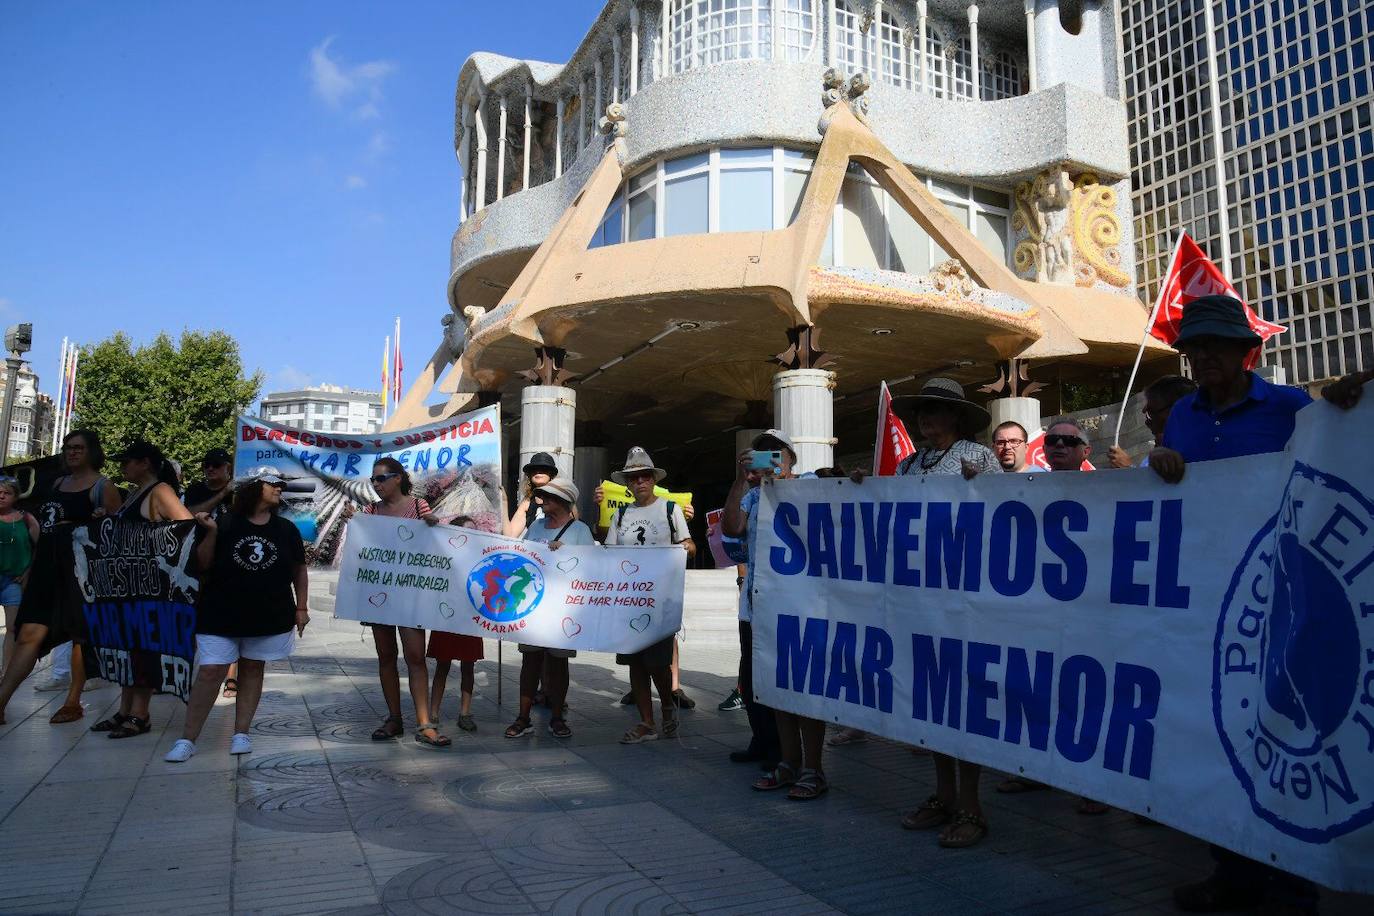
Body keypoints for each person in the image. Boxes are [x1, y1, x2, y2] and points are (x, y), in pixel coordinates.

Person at [1143, 295, 1326, 914]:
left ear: (1246, 352)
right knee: (1217, 732)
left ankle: (1293, 882)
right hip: (1207, 600)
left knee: (1280, 732)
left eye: (1215, 346)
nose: (1202, 358)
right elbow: (1172, 488)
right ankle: (1232, 869)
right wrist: (1160, 461)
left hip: (1284, 598)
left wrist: (1352, 405)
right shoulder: (1184, 415)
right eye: (1193, 349)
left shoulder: (1291, 407)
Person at [889, 378, 1000, 847]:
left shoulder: (981, 458)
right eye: (921, 411)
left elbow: (1007, 513)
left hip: (964, 600)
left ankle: (971, 805)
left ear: (955, 417)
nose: (925, 419)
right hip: (921, 599)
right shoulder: (909, 464)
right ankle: (944, 793)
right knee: (933, 699)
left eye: (935, 410)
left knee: (963, 700)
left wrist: (983, 488)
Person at [164, 468, 309, 762]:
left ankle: (241, 732)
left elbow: (299, 569)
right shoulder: (224, 522)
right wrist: (211, 533)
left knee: (253, 668)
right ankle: (187, 739)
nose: (279, 488)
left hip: (269, 614)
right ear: (254, 487)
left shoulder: (286, 529)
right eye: (273, 483)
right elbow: (202, 564)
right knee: (211, 671)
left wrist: (302, 607)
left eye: (281, 484)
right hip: (220, 613)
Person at [725, 430, 830, 800]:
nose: (769, 458)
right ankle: (788, 761)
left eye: (776, 452)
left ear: (791, 458)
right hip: (761, 605)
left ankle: (813, 769)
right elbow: (732, 528)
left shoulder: (811, 484)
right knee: (774, 688)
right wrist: (741, 479)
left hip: (802, 606)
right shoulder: (755, 494)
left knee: (805, 688)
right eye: (762, 453)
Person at [0, 430, 122, 726]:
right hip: (46, 569)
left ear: (92, 452)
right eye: (68, 447)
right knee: (28, 635)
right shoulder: (56, 483)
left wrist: (96, 522)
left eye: (78, 448)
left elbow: (118, 534)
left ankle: (72, 701)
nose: (72, 452)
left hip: (80, 573)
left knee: (80, 637)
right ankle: (1, 701)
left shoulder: (103, 487)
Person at [90, 440, 194, 738]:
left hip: (149, 588)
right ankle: (124, 710)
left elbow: (186, 527)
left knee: (143, 649)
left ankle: (140, 714)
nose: (122, 467)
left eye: (127, 461)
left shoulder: (160, 491)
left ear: (145, 463)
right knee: (128, 649)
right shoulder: (136, 493)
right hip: (128, 586)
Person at [607, 448, 693, 745]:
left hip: (660, 600)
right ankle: (647, 721)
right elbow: (610, 553)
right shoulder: (620, 514)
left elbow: (689, 544)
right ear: (627, 483)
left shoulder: (670, 509)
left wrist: (685, 548)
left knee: (657, 662)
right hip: (629, 599)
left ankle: (667, 704)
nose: (640, 481)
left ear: (653, 479)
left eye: (645, 476)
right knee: (635, 663)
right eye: (634, 477)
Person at [362, 457, 449, 748]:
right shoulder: (370, 510)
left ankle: (424, 723)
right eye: (373, 480)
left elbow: (433, 542)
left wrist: (432, 525)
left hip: (411, 594)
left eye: (381, 478)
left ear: (398, 478)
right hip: (379, 593)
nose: (376, 484)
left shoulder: (419, 506)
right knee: (386, 655)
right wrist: (355, 523)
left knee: (415, 656)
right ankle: (394, 718)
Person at [506, 477, 594, 739]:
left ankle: (557, 717)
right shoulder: (535, 525)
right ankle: (523, 718)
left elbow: (591, 567)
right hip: (533, 606)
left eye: (548, 497)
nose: (541, 500)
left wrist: (566, 553)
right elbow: (524, 555)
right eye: (542, 495)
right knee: (530, 662)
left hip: (563, 611)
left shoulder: (580, 531)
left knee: (558, 663)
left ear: (563, 501)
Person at [183, 447, 239, 698]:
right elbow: (189, 514)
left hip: (231, 563)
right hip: (198, 563)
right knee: (193, 619)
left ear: (228, 467)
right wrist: (222, 494)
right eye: (206, 464)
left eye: (216, 464)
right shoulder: (196, 489)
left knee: (231, 620)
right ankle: (190, 671)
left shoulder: (240, 491)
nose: (210, 468)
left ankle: (231, 676)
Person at [427, 514, 484, 733]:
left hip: (469, 619)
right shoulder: (444, 555)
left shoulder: (479, 557)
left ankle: (465, 713)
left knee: (469, 666)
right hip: (447, 618)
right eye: (468, 531)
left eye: (475, 531)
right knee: (442, 665)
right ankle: (433, 713)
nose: (472, 535)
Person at [1107, 376, 1197, 469]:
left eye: (1152, 411)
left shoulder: (1197, 451)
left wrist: (1128, 469)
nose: (1148, 422)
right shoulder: (1152, 458)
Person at [0, 478, 39, 674]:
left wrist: (27, 572)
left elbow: (39, 548)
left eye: (6, 493)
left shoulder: (26, 519)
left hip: (13, 581)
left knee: (12, 628)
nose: (1, 496)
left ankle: (6, 671)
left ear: (16, 496)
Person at [504, 452, 557, 538]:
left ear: (551, 474)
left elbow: (572, 529)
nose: (538, 472)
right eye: (534, 469)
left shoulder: (563, 499)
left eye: (544, 468)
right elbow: (510, 535)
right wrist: (504, 503)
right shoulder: (527, 502)